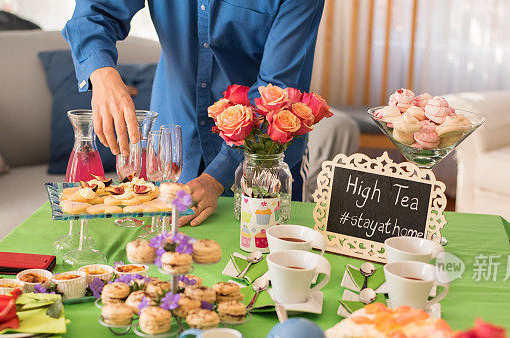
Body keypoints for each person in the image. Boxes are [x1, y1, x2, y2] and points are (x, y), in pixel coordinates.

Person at [63, 1, 325, 226]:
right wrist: (102, 73)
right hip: (173, 152)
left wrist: (216, 177)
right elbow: (95, 12)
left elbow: (275, 88)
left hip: (261, 166)